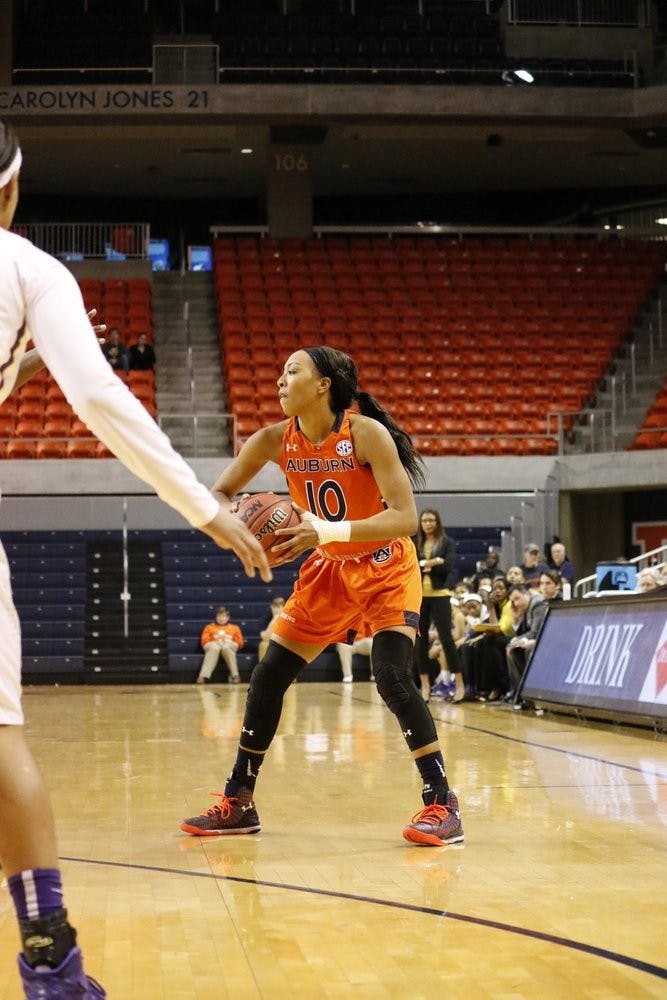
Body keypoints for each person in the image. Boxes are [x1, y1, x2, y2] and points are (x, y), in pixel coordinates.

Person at [0, 119, 271, 1000]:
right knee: (1, 746)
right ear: (11, 189)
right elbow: (105, 402)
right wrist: (203, 505)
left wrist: (19, 365)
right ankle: (51, 967)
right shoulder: (30, 268)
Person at [180, 345, 464, 848]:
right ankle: (239, 801)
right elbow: (217, 495)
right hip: (327, 570)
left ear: (324, 385)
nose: (281, 382)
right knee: (269, 674)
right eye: (280, 373)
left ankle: (442, 802)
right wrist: (236, 526)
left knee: (393, 676)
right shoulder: (272, 441)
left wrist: (327, 531)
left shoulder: (365, 435)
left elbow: (403, 517)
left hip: (384, 566)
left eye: (293, 371)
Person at [413, 509, 459, 702]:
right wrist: (433, 562)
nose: (428, 523)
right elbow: (413, 565)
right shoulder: (416, 542)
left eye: (432, 520)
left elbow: (448, 566)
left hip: (440, 594)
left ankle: (460, 685)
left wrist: (427, 564)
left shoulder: (447, 542)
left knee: (447, 638)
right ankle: (425, 687)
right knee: (420, 640)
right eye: (424, 520)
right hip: (419, 595)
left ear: (437, 522)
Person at [505, 585, 548, 700]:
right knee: (511, 648)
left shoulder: (537, 604)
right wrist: (515, 620)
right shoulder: (525, 607)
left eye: (517, 598)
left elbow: (535, 632)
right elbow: (523, 632)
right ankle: (518, 691)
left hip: (546, 639)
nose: (516, 604)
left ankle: (528, 692)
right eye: (513, 601)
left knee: (524, 648)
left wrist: (520, 640)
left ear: (527, 594)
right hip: (535, 638)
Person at [196, 606, 244, 684]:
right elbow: (204, 641)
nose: (221, 618)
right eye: (219, 616)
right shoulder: (209, 627)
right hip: (213, 645)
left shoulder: (234, 628)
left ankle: (235, 676)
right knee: (215, 648)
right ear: (216, 617)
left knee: (226, 647)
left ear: (228, 617)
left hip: (229, 645)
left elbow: (240, 642)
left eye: (223, 616)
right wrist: (216, 641)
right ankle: (203, 676)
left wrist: (228, 641)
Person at [257, 596, 286, 663]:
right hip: (271, 642)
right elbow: (264, 637)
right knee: (263, 644)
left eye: (278, 607)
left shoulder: (288, 618)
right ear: (271, 607)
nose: (276, 609)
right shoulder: (265, 618)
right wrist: (274, 620)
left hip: (283, 643)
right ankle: (263, 671)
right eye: (274, 607)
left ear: (284, 608)